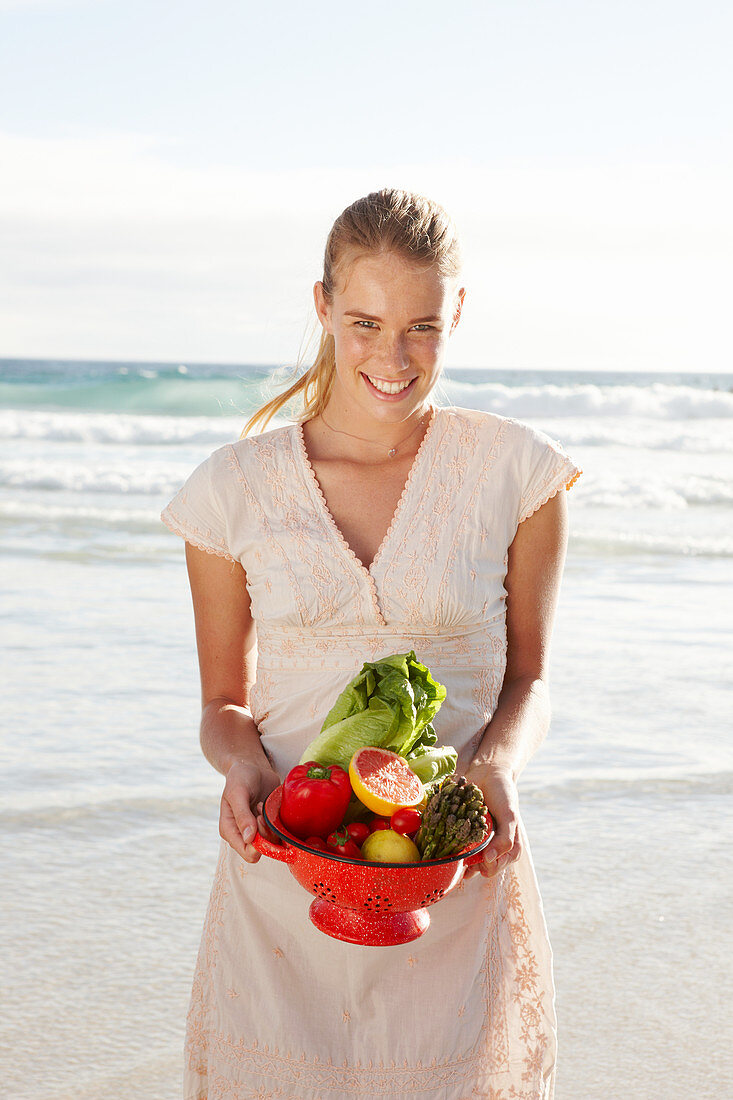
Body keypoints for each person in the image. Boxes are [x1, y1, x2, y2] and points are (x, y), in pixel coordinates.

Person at [162, 187, 581, 1099]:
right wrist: (239, 770)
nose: (393, 359)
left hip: (452, 862)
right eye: (364, 322)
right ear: (321, 307)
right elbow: (221, 705)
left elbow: (531, 680)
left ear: (457, 313)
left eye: (422, 326)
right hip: (286, 869)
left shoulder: (518, 472)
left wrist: (497, 768)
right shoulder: (230, 490)